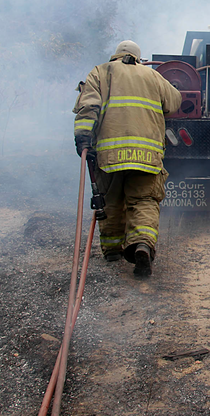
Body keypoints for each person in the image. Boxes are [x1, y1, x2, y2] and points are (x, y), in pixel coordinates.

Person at [72, 40, 181, 278]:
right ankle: (142, 244)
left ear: (115, 56)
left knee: (110, 200)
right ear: (138, 57)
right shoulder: (152, 76)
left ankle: (112, 250)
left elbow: (88, 107)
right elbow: (174, 101)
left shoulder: (100, 72)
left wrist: (82, 137)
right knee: (144, 201)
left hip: (110, 154)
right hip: (146, 154)